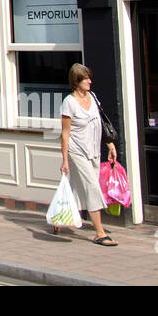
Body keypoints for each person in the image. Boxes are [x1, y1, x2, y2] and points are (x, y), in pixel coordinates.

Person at [60, 63, 118, 246]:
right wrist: (65, 160)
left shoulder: (92, 97)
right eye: (86, 78)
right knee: (93, 187)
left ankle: (59, 219)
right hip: (77, 152)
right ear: (76, 81)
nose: (89, 81)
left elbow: (100, 123)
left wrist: (110, 145)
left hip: (93, 151)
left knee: (78, 188)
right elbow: (65, 133)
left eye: (89, 77)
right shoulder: (69, 103)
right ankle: (99, 233)